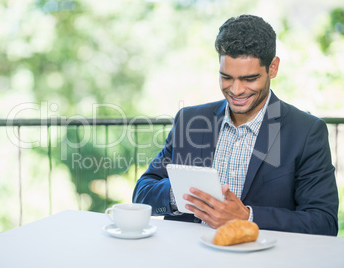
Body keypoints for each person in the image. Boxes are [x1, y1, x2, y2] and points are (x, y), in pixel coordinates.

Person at [132, 14, 339, 236]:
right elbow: (142, 195)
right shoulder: (189, 121)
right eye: (226, 77)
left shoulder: (306, 132)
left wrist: (247, 217)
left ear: (273, 68)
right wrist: (182, 194)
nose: (236, 90)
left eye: (249, 79)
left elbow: (323, 223)